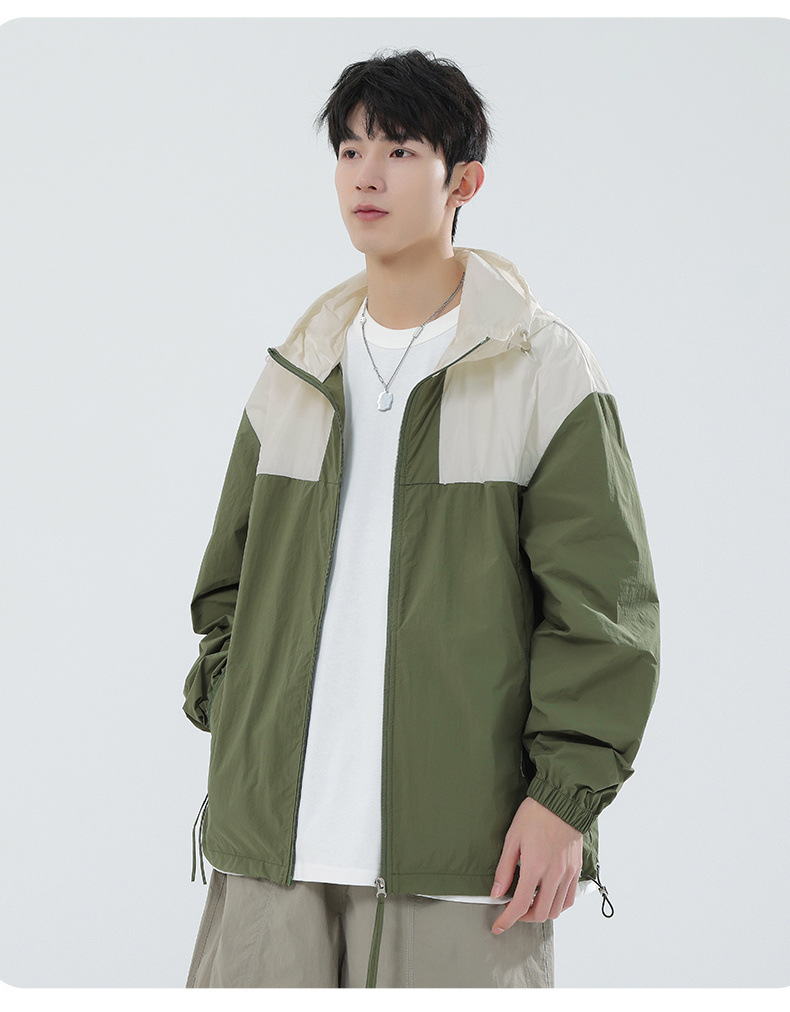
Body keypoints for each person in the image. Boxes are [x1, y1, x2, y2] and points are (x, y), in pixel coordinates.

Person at [181, 47, 660, 989]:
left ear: (463, 182)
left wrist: (564, 801)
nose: (367, 174)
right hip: (272, 856)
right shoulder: (298, 371)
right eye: (350, 149)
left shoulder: (539, 368)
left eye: (400, 150)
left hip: (463, 861)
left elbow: (604, 610)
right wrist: (242, 719)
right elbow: (226, 589)